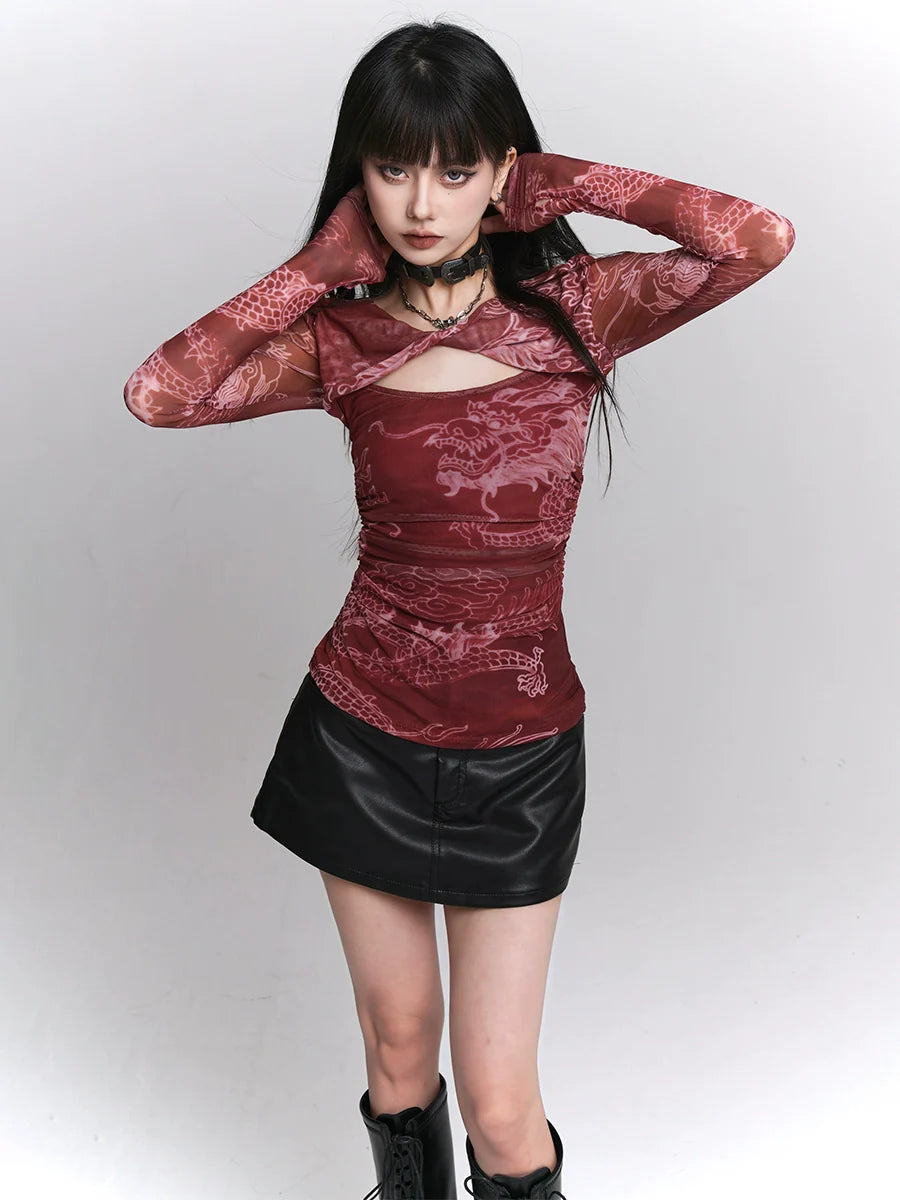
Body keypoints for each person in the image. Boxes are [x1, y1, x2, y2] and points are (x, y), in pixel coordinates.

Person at [122, 18, 795, 1200]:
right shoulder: (340, 340)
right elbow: (159, 393)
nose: (422, 203)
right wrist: (315, 270)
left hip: (520, 753)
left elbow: (757, 237)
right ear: (358, 179)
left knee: (499, 1105)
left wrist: (562, 183)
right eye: (393, 169)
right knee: (397, 1052)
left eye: (455, 168)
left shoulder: (581, 308)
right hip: (362, 731)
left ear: (499, 173)